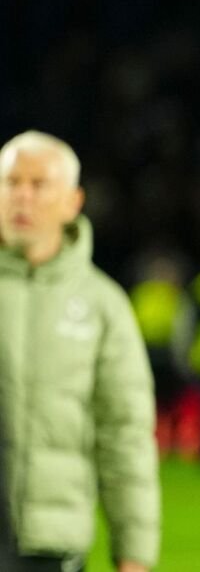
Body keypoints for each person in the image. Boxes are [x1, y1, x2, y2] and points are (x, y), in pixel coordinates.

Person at [0, 131, 160, 572]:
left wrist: (134, 553)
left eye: (38, 184)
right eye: (11, 182)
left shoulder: (102, 306)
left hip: (51, 546)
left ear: (73, 201)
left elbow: (125, 435)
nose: (22, 196)